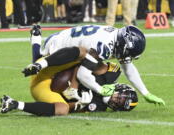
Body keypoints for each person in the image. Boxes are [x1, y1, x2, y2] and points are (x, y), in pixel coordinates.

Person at [0, 29, 138, 115]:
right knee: (84, 53)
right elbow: (85, 64)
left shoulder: (98, 107)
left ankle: (15, 104)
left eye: (119, 104)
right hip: (54, 69)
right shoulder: (110, 73)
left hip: (44, 86)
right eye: (120, 97)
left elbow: (71, 109)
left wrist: (79, 105)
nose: (116, 100)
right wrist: (74, 88)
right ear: (121, 88)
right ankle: (39, 61)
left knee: (62, 110)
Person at [22, 24, 165, 106]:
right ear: (123, 45)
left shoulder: (116, 39)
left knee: (104, 68)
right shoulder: (104, 46)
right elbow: (82, 74)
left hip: (71, 42)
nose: (126, 57)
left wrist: (146, 93)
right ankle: (36, 39)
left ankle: (73, 90)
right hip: (58, 45)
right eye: (127, 53)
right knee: (39, 65)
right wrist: (100, 90)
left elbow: (129, 69)